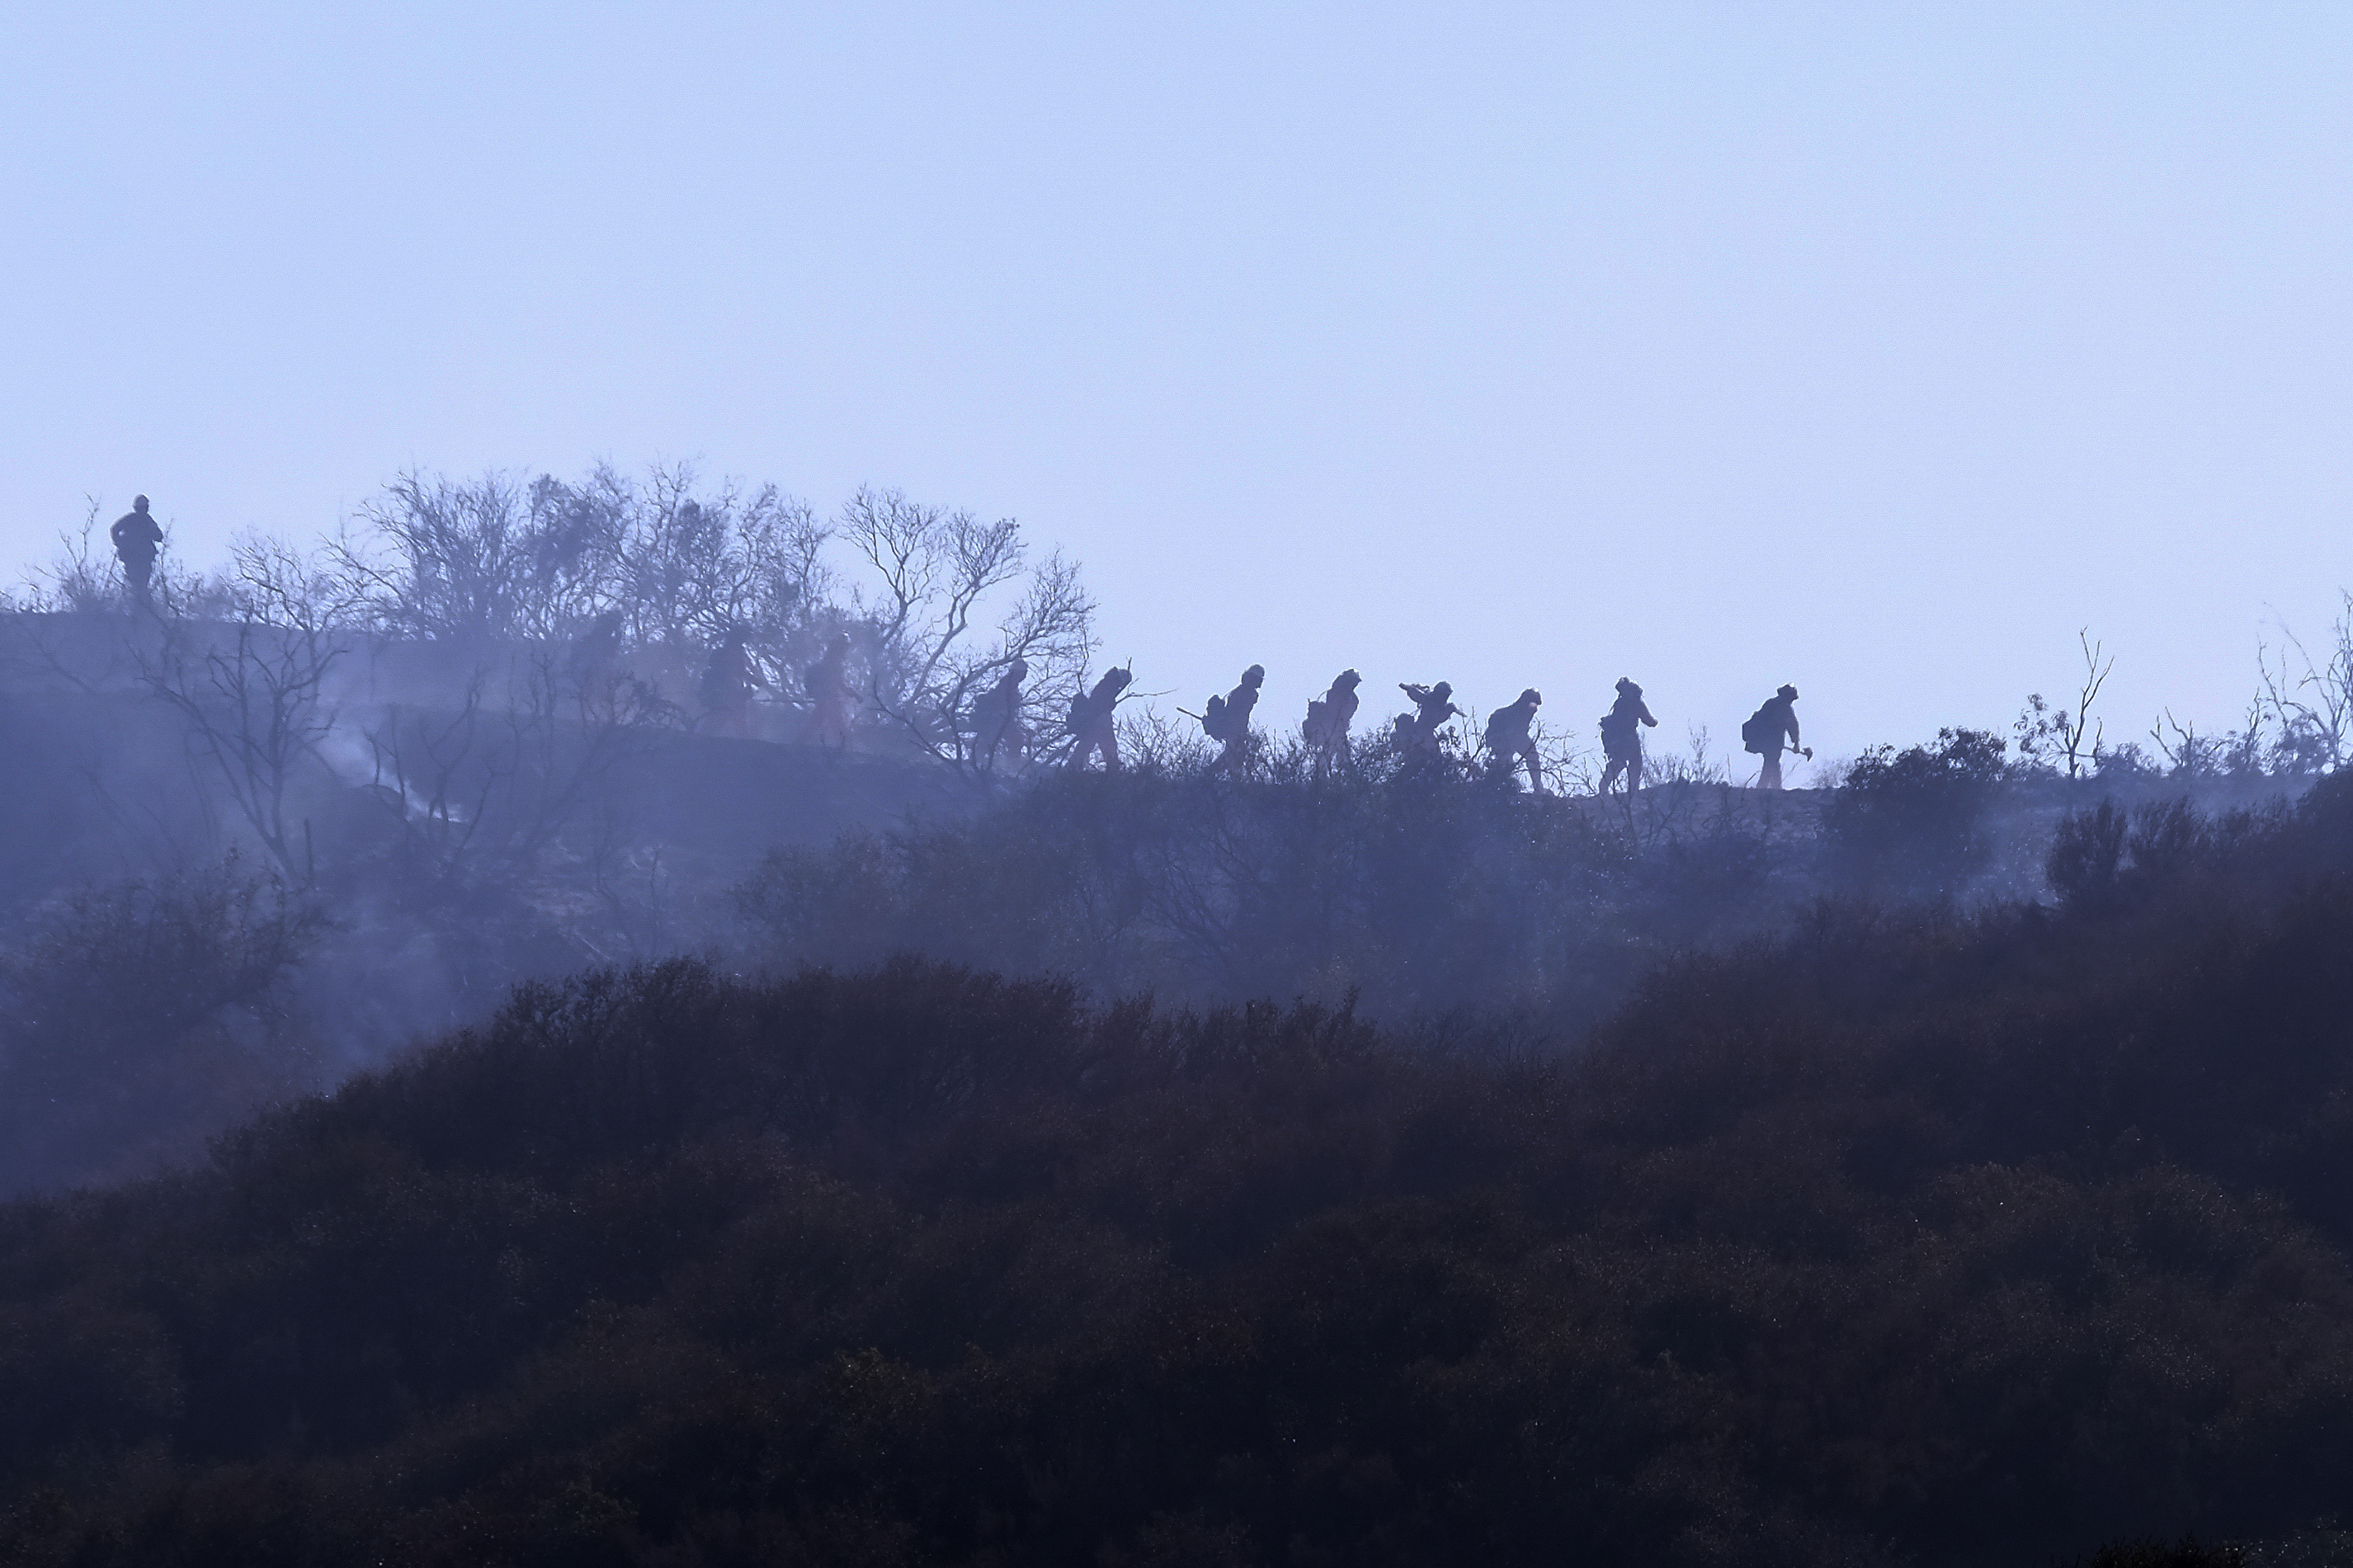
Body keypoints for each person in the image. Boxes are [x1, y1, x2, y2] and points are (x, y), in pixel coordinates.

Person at [698, 628, 766, 737]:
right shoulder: (731, 652)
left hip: (727, 691)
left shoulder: (731, 651)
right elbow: (737, 672)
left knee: (726, 719)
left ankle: (701, 739)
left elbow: (739, 672)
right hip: (727, 691)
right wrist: (754, 681)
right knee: (725, 718)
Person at [1741, 683, 1810, 789]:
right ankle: (1761, 788)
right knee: (1770, 764)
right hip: (1773, 742)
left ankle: (1777, 788)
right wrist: (1796, 743)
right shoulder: (1785, 708)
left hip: (1764, 740)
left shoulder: (1770, 703)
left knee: (1774, 763)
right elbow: (1793, 726)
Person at [967, 657, 1030, 771]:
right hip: (995, 720)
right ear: (1016, 672)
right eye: (1022, 673)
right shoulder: (1005, 684)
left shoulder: (1011, 685)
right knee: (991, 741)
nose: (1023, 676)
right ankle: (977, 763)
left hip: (1004, 720)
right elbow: (998, 701)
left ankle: (1010, 765)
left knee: (1016, 739)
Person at [1599, 678, 1659, 797]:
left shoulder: (1620, 703)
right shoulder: (1636, 703)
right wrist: (1655, 721)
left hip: (1614, 738)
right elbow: (1649, 721)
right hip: (1629, 737)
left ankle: (1603, 788)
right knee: (1636, 762)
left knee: (1618, 762)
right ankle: (1633, 791)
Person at [1066, 666, 1132, 773]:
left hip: (1097, 721)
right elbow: (1100, 703)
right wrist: (1110, 705)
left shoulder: (1108, 683)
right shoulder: (1110, 684)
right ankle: (1112, 768)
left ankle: (1074, 765)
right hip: (1100, 721)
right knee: (1101, 744)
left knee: (1088, 743)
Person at [1204, 663, 1264, 778]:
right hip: (1235, 731)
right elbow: (1237, 714)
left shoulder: (1240, 692)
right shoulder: (1247, 693)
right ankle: (1212, 776)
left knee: (1233, 757)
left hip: (1234, 730)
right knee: (1234, 758)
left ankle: (1211, 775)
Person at [1483, 687, 1544, 792]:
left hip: (1515, 737)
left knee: (1532, 756)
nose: (1535, 708)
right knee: (1504, 761)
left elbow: (1521, 734)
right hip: (1502, 738)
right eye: (1533, 704)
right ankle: (1497, 786)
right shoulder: (1509, 713)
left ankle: (1538, 787)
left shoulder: (1526, 712)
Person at [1303, 668, 1361, 776]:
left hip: (1337, 731)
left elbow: (1345, 715)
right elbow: (1335, 712)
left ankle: (1345, 780)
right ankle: (1322, 780)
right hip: (1330, 730)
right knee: (1329, 758)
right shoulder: (1337, 694)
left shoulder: (1352, 698)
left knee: (1342, 758)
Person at [109, 495, 163, 605]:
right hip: (134, 558)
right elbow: (114, 529)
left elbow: (159, 536)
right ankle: (139, 607)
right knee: (138, 585)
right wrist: (120, 544)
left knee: (139, 585)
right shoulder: (137, 520)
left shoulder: (144, 521)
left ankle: (141, 607)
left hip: (141, 558)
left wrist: (119, 543)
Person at [804, 633, 855, 748]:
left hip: (826, 699)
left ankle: (798, 745)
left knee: (817, 723)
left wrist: (850, 692)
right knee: (838, 726)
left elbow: (838, 681)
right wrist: (849, 692)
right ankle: (846, 750)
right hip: (829, 699)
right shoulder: (833, 662)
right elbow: (837, 681)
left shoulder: (832, 661)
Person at [1395, 680, 1459, 756]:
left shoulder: (1430, 701)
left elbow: (1416, 694)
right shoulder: (1436, 704)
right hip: (1423, 733)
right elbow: (1416, 694)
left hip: (1423, 733)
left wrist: (1409, 688)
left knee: (1430, 754)